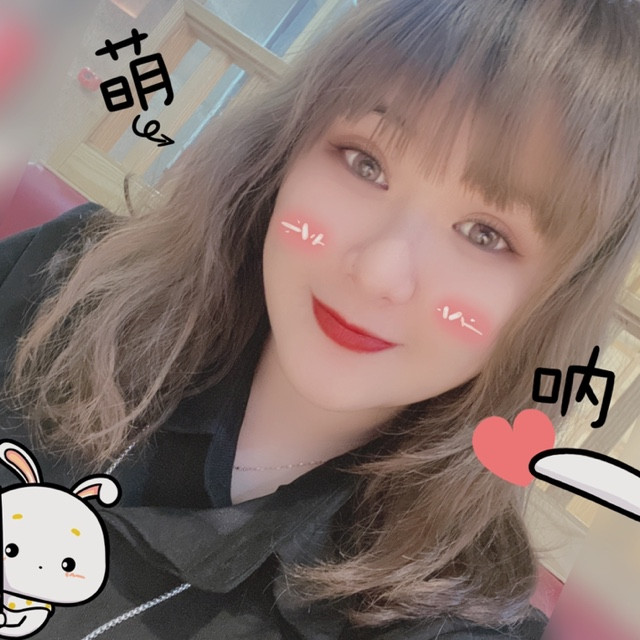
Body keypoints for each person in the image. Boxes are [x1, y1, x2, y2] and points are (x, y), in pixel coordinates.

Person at [1, 0, 639, 637]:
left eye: (485, 234)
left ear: (554, 302)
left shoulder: (441, 619)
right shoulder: (67, 280)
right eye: (366, 162)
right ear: (289, 148)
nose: (379, 271)